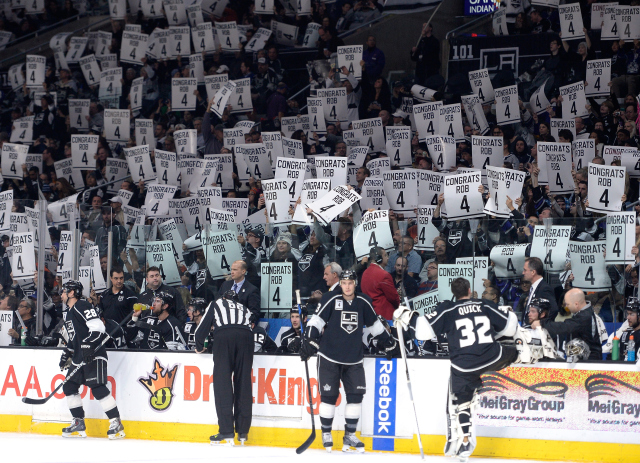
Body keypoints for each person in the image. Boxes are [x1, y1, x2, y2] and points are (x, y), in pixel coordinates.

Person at [406, 277, 525, 461]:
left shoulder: (448, 310)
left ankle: (465, 441)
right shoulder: (483, 305)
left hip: (464, 365)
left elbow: (422, 332)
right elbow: (510, 327)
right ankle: (523, 356)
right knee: (515, 347)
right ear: (470, 290)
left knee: (462, 401)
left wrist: (409, 316)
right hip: (492, 357)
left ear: (453, 293)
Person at [300, 270, 396, 453]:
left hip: (353, 358)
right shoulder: (330, 298)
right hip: (329, 356)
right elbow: (317, 321)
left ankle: (350, 434)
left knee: (355, 396)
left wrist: (389, 342)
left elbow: (375, 325)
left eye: (350, 283)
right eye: (344, 283)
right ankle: (326, 432)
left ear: (355, 283)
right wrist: (310, 340)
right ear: (341, 284)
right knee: (329, 397)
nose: (347, 286)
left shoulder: (364, 301)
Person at [58, 280, 125, 439]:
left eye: (64, 291)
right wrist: (68, 351)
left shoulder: (82, 305)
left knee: (98, 387)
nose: (61, 295)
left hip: (94, 353)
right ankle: (78, 421)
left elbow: (98, 327)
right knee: (69, 386)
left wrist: (88, 346)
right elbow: (75, 339)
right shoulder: (68, 313)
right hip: (80, 356)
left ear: (72, 293)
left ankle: (116, 422)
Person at [195, 291, 254, 446]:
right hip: (247, 338)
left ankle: (227, 431)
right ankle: (242, 432)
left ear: (223, 298)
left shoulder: (216, 303)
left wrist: (200, 346)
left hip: (225, 335)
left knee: (223, 383)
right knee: (244, 383)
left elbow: (201, 331)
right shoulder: (245, 309)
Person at [532, 288, 603, 360]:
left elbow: (565, 327)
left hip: (589, 361)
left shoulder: (584, 316)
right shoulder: (584, 312)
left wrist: (541, 323)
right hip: (581, 357)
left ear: (576, 304)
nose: (566, 306)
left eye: (568, 304)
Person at [361, 246, 400, 320]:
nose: (388, 258)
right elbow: (393, 297)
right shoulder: (384, 275)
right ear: (379, 258)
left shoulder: (365, 273)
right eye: (385, 255)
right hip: (385, 316)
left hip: (369, 314)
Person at [518, 257, 558, 326]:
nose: (523, 273)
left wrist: (541, 324)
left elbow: (554, 309)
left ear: (533, 272)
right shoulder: (532, 288)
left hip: (537, 333)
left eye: (525, 270)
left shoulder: (544, 288)